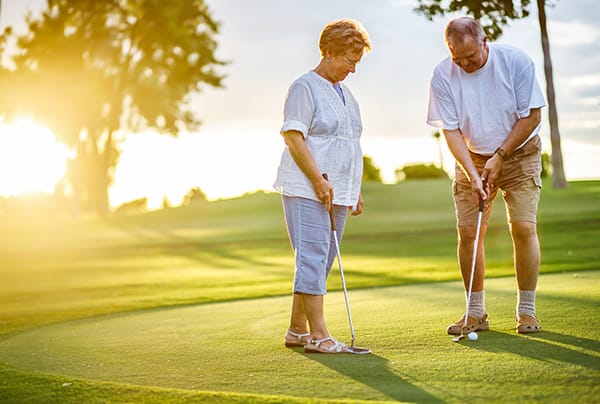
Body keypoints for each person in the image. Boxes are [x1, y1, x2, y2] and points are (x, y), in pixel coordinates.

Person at [427, 16, 546, 335]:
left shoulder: (515, 62)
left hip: (519, 153)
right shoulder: (442, 75)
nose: (465, 64)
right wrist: (472, 171)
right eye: (457, 58)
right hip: (472, 156)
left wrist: (500, 156)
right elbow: (450, 131)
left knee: (522, 226)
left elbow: (532, 116)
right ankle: (475, 313)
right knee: (468, 233)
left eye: (471, 57)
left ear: (484, 41)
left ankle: (526, 311)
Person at [274, 19, 371, 353]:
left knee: (321, 260)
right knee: (312, 258)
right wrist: (317, 179)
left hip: (337, 191)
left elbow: (347, 143)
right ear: (328, 52)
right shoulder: (305, 87)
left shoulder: (347, 94)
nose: (353, 69)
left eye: (357, 63)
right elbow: (293, 136)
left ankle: (297, 330)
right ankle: (319, 336)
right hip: (306, 188)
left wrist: (352, 188)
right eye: (349, 61)